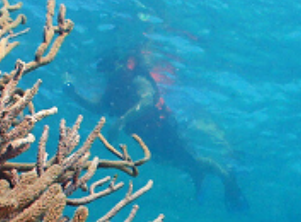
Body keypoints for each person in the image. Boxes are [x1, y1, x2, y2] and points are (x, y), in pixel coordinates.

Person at [64, 48, 247, 211]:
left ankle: (226, 178)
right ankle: (201, 177)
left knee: (190, 160)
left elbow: (147, 101)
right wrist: (73, 94)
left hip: (165, 130)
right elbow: (97, 107)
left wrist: (121, 121)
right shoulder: (113, 89)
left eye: (112, 69)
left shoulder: (137, 79)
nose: (110, 75)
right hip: (149, 138)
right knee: (179, 163)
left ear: (120, 64)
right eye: (106, 72)